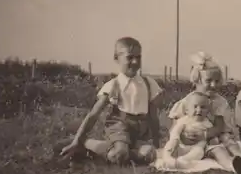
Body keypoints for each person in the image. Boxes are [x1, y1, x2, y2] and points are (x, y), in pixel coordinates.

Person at [57, 37, 163, 166]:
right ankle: (86, 144)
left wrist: (157, 145)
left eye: (138, 57)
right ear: (116, 58)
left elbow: (153, 116)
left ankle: (125, 152)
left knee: (150, 154)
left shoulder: (148, 84)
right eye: (129, 57)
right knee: (119, 155)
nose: (135, 62)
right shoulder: (113, 85)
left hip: (141, 130)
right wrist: (76, 141)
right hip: (119, 127)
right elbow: (93, 115)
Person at [168, 52, 241, 174]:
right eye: (209, 81)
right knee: (176, 149)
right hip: (190, 141)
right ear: (197, 80)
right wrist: (182, 136)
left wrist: (205, 136)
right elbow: (175, 124)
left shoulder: (219, 102)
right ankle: (178, 162)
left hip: (212, 138)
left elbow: (219, 126)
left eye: (217, 81)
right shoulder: (188, 101)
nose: (213, 85)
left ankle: (236, 164)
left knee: (221, 150)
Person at [157, 92, 218, 170]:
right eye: (195, 107)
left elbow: (212, 137)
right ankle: (167, 157)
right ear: (187, 110)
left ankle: (184, 160)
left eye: (203, 107)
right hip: (180, 145)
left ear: (208, 111)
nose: (199, 110)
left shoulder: (207, 123)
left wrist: (214, 141)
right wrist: (175, 139)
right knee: (170, 144)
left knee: (199, 151)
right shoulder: (184, 120)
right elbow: (176, 131)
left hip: (195, 147)